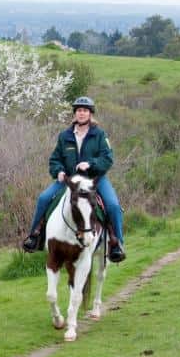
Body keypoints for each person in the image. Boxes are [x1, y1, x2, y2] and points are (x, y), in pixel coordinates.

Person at [22, 96, 126, 263]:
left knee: (113, 205)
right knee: (43, 198)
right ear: (75, 113)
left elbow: (107, 159)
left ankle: (117, 244)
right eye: (79, 110)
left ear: (90, 114)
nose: (81, 113)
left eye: (85, 110)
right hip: (70, 181)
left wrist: (90, 164)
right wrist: (59, 172)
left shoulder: (99, 135)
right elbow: (55, 159)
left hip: (94, 180)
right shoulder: (65, 136)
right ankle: (35, 237)